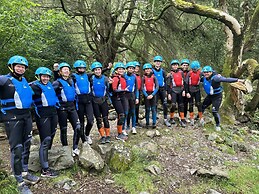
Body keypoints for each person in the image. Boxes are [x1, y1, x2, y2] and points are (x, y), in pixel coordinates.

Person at [0, 56, 39, 194]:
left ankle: (24, 172)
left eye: (22, 67)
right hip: (12, 118)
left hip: (26, 117)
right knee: (17, 148)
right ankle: (19, 180)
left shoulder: (24, 81)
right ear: (11, 66)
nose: (20, 68)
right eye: (18, 66)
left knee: (27, 144)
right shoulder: (4, 80)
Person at [30, 67, 59, 178]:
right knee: (46, 139)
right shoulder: (35, 87)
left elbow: (57, 82)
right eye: (43, 76)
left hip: (53, 113)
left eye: (47, 76)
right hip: (42, 116)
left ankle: (46, 157)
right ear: (39, 77)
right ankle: (45, 170)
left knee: (51, 136)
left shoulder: (50, 85)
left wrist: (56, 71)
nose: (46, 78)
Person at [201, 65, 244, 131]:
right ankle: (198, 118)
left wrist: (238, 80)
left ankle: (217, 125)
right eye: (205, 72)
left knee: (214, 111)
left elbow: (226, 79)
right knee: (202, 107)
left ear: (211, 72)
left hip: (217, 96)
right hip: (210, 96)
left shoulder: (216, 78)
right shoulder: (203, 77)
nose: (206, 73)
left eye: (208, 72)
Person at [52, 62, 81, 156]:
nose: (66, 71)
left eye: (67, 69)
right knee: (63, 129)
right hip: (62, 109)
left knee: (78, 127)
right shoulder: (57, 82)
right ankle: (65, 148)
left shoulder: (71, 80)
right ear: (60, 72)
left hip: (72, 107)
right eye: (64, 69)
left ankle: (75, 147)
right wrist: (57, 104)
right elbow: (51, 94)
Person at [71, 60, 94, 145]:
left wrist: (107, 68)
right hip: (79, 101)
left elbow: (97, 72)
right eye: (80, 68)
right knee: (81, 122)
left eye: (83, 68)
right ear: (77, 69)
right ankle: (83, 139)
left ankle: (87, 134)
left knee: (91, 120)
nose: (81, 69)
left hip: (88, 100)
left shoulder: (87, 76)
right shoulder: (73, 76)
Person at [90, 62, 111, 144]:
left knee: (105, 119)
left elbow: (109, 90)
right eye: (96, 70)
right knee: (98, 119)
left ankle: (108, 135)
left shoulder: (105, 79)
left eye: (99, 69)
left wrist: (109, 100)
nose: (97, 71)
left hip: (103, 101)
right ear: (93, 71)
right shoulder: (91, 79)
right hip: (95, 101)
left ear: (101, 70)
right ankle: (102, 136)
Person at [110, 62, 128, 141]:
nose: (121, 70)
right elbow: (114, 90)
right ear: (116, 70)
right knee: (121, 115)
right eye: (119, 69)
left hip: (122, 97)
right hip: (116, 98)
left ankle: (121, 131)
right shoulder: (115, 78)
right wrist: (123, 90)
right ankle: (119, 134)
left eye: (122, 69)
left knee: (123, 114)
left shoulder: (123, 78)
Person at [167, 59, 186, 127]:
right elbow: (168, 85)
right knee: (173, 105)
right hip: (173, 91)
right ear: (171, 66)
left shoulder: (181, 73)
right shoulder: (170, 74)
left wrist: (184, 90)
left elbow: (184, 82)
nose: (175, 66)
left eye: (176, 65)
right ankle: (171, 118)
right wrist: (169, 94)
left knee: (181, 105)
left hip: (180, 90)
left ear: (178, 66)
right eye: (173, 65)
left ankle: (182, 119)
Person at [152, 56, 171, 127]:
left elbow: (165, 80)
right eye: (156, 61)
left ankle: (165, 119)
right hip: (155, 90)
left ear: (161, 63)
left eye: (159, 61)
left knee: (165, 104)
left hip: (162, 89)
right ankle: (155, 118)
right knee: (155, 104)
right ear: (154, 62)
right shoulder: (151, 71)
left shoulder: (162, 71)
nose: (158, 63)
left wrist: (166, 90)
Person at [185, 61, 204, 126]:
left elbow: (208, 74)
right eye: (193, 69)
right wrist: (187, 92)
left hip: (197, 90)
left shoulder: (200, 73)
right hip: (190, 90)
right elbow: (186, 83)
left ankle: (201, 118)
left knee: (198, 104)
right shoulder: (189, 74)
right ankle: (191, 118)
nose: (195, 70)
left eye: (196, 69)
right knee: (190, 104)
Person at [142, 63, 159, 128]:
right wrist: (146, 95)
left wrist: (152, 95)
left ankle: (154, 123)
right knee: (147, 109)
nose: (147, 70)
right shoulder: (143, 78)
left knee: (153, 109)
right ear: (144, 70)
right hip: (146, 95)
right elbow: (142, 87)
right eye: (146, 69)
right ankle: (147, 123)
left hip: (153, 94)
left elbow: (157, 87)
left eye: (148, 69)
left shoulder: (154, 77)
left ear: (151, 69)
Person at [124, 61, 139, 134]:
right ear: (127, 69)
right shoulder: (124, 76)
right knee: (126, 112)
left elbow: (136, 88)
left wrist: (137, 97)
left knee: (133, 112)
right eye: (130, 68)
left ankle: (133, 127)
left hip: (132, 95)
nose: (131, 70)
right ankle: (125, 127)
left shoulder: (134, 77)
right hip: (125, 96)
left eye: (132, 68)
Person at [180, 59, 191, 123]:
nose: (185, 67)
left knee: (186, 103)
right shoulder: (178, 71)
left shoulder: (189, 72)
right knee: (180, 104)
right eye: (184, 65)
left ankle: (185, 116)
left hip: (187, 89)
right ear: (181, 65)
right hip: (179, 90)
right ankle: (181, 116)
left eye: (186, 65)